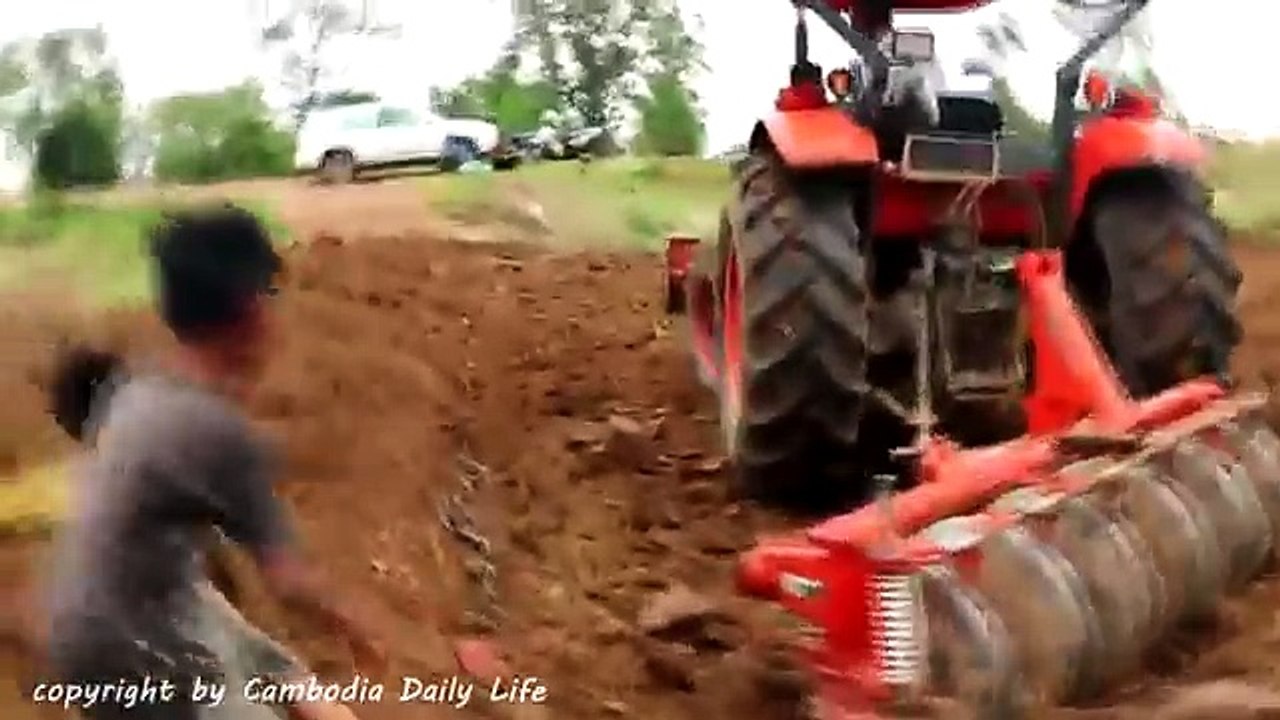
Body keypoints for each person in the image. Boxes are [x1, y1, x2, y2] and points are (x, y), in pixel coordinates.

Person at [43, 204, 393, 720]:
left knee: (276, 668)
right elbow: (289, 582)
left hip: (98, 615)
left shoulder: (138, 390)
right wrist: (360, 624)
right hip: (137, 649)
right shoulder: (220, 434)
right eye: (271, 298)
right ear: (250, 310)